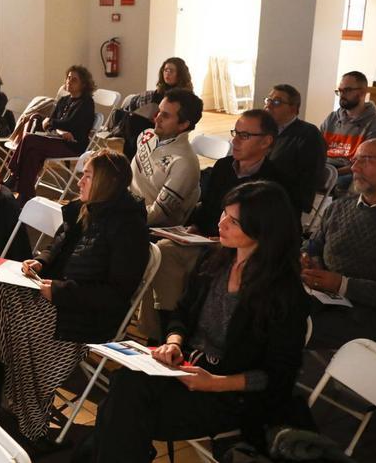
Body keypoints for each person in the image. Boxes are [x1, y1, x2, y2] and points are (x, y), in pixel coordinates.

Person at [80, 181, 310, 463]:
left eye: (233, 221)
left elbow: (279, 374)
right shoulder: (216, 261)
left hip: (230, 391)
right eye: (224, 213)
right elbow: (182, 313)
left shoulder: (284, 293)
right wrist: (173, 342)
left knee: (123, 413)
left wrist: (215, 383)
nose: (221, 223)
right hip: (187, 367)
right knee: (126, 386)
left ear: (262, 229)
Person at [0, 150, 149, 448]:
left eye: (87, 177)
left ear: (105, 183)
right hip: (56, 295)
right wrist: (40, 261)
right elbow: (58, 247)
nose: (79, 182)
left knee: (14, 320)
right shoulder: (85, 208)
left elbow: (117, 295)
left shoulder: (128, 228)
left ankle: (17, 410)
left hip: (84, 314)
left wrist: (62, 292)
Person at [138, 109, 295, 341]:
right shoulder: (223, 167)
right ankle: (163, 331)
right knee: (161, 251)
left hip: (238, 252)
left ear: (266, 142)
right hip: (208, 241)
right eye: (235, 133)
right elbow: (208, 207)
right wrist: (194, 227)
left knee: (169, 258)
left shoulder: (274, 183)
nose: (235, 140)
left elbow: (271, 233)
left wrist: (222, 242)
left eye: (244, 135)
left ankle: (170, 332)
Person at [304, 138, 376, 349]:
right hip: (322, 296)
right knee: (260, 305)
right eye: (355, 160)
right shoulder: (340, 206)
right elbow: (313, 245)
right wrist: (309, 260)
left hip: (372, 316)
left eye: (366, 160)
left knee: (285, 326)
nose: (354, 167)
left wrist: (342, 284)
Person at [5, 65, 96, 205]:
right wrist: (58, 128)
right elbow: (51, 123)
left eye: (74, 80)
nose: (69, 82)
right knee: (33, 153)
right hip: (57, 139)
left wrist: (54, 124)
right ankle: (25, 196)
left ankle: (14, 175)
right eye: (68, 78)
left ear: (83, 84)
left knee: (29, 139)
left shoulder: (86, 103)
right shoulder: (63, 100)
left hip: (73, 145)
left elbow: (68, 123)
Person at [130, 88, 203, 227]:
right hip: (126, 209)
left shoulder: (184, 163)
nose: (156, 118)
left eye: (165, 115)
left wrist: (122, 216)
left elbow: (158, 215)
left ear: (183, 124)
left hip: (149, 229)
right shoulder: (147, 135)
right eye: (159, 111)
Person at [112, 57, 193, 159]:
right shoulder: (160, 91)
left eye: (171, 71)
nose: (167, 73)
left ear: (180, 74)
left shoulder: (185, 95)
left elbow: (183, 119)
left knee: (133, 123)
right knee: (131, 119)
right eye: (165, 70)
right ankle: (132, 159)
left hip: (170, 129)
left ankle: (131, 159)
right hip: (154, 124)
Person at [321, 71, 376, 191]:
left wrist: (334, 173)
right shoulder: (332, 118)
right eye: (340, 91)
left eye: (347, 90)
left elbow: (369, 162)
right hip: (327, 167)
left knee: (343, 183)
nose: (342, 95)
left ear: (362, 92)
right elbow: (316, 147)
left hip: (351, 171)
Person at [264, 84, 327, 213]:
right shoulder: (262, 129)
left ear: (293, 108)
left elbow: (307, 179)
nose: (268, 106)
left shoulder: (308, 135)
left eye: (276, 102)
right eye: (268, 100)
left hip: (283, 203)